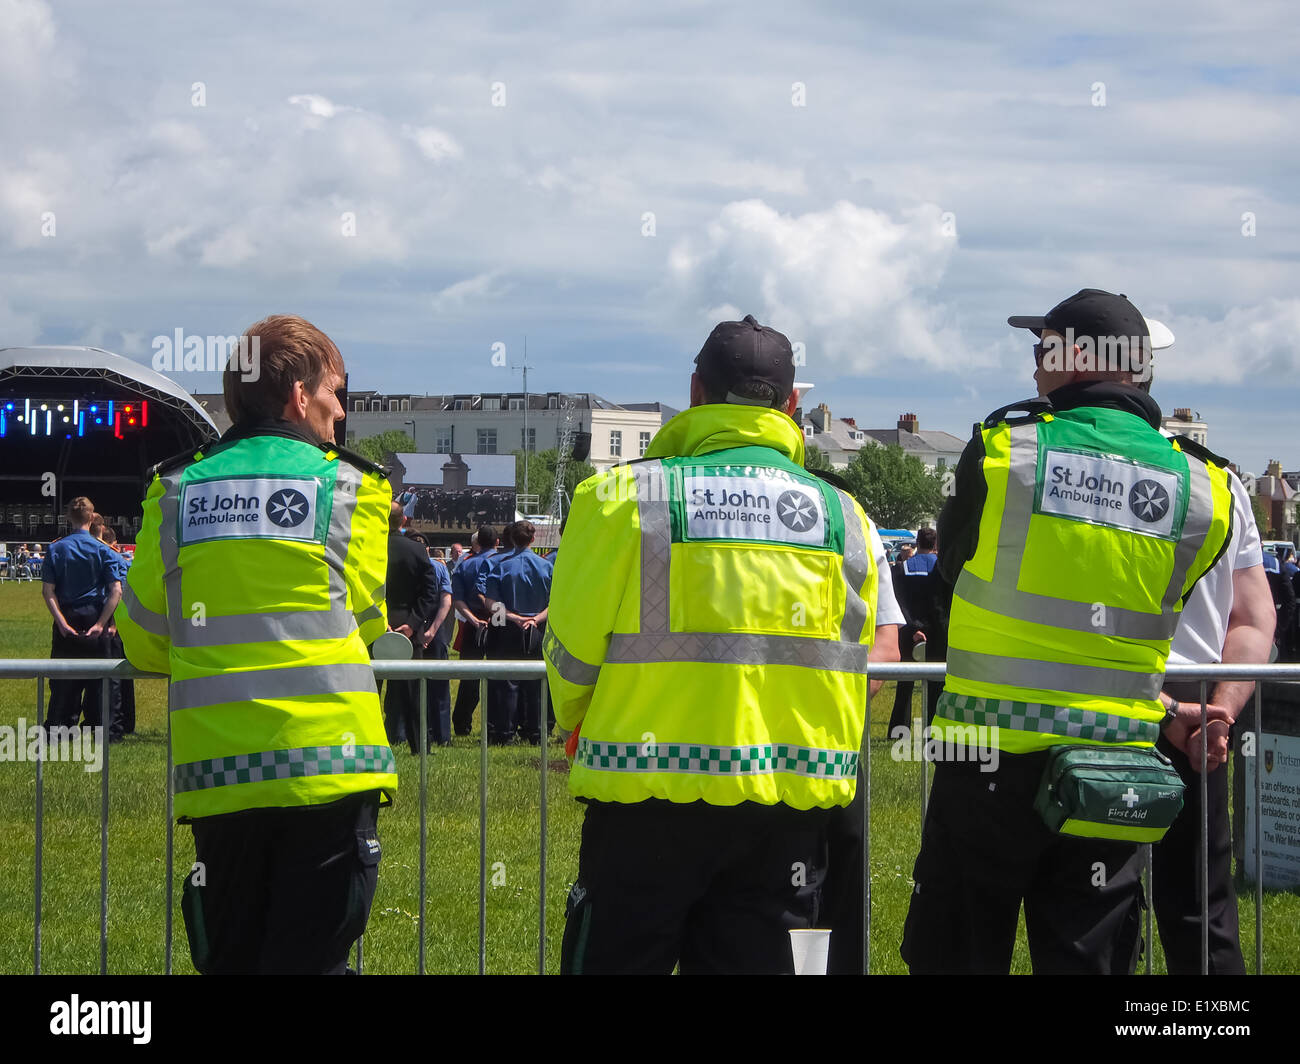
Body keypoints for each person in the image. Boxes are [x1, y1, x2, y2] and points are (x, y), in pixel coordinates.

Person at [902, 289, 1235, 975]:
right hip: (1113, 771)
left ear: (1080, 357)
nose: (1033, 369)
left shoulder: (1003, 452)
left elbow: (949, 581)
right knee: (1093, 961)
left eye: (1042, 348)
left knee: (956, 956)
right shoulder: (1205, 488)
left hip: (987, 759)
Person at [545, 313, 884, 974]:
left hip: (643, 795)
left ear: (695, 392)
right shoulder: (846, 517)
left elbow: (572, 650)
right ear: (792, 405)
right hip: (789, 807)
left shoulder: (620, 497)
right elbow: (854, 667)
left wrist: (575, 720)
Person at [117, 314, 396, 975]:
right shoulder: (356, 485)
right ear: (300, 396)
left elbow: (147, 636)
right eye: (336, 392)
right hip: (331, 770)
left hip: (223, 776)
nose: (340, 411)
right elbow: (364, 622)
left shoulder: (177, 486)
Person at [1154, 458, 1274, 974]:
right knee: (1201, 912)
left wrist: (1214, 711)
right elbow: (1253, 615)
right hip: (1197, 711)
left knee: (1089, 914)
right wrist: (1221, 708)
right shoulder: (1215, 479)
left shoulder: (1058, 460)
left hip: (1138, 711)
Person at [41, 497, 122, 732]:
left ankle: (58, 727)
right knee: (99, 680)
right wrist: (101, 623)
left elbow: (48, 591)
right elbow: (116, 590)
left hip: (67, 615)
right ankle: (99, 729)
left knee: (63, 679)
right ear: (91, 518)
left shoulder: (56, 548)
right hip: (95, 615)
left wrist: (61, 622)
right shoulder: (102, 550)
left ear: (68, 517)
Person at [480, 520, 553, 744]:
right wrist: (535, 619)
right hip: (537, 628)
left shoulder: (500, 566)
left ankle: (505, 732)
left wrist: (514, 617)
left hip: (509, 629)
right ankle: (537, 732)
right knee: (537, 682)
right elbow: (556, 602)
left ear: (512, 539)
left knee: (508, 683)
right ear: (533, 539)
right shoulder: (546, 566)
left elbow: (490, 602)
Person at [383, 501, 445, 753]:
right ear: (404, 521)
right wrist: (412, 623)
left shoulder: (364, 549)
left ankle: (360, 744)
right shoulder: (417, 551)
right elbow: (430, 593)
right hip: (409, 628)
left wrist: (377, 621)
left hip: (372, 625)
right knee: (413, 694)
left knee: (364, 690)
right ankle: (420, 746)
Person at [888, 527, 944, 735]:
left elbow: (899, 602)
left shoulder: (903, 568)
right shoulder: (940, 569)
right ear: (935, 544)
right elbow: (941, 604)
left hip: (909, 630)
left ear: (917, 543)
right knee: (935, 685)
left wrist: (914, 628)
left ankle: (898, 729)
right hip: (937, 633)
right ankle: (932, 729)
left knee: (904, 683)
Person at [450, 525, 499, 736]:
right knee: (501, 676)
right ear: (497, 542)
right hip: (499, 623)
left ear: (477, 542)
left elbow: (457, 600)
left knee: (469, 678)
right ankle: (496, 725)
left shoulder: (465, 565)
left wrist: (473, 620)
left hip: (473, 626)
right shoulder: (502, 562)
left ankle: (462, 724)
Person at [98, 524, 136, 739]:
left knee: (114, 676)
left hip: (112, 621)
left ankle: (118, 722)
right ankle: (125, 720)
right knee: (122, 675)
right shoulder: (114, 557)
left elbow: (118, 592)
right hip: (119, 621)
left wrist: (112, 623)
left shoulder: (111, 557)